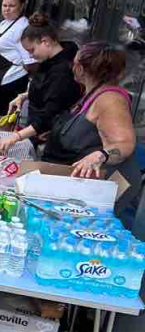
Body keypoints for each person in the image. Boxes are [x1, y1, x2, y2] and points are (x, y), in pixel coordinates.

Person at [40, 42, 141, 223]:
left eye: (75, 62)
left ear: (80, 68)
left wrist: (99, 155)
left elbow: (124, 143)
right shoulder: (93, 93)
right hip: (85, 185)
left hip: (106, 189)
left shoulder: (110, 100)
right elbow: (89, 130)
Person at [0, 13, 81, 153]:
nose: (30, 55)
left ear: (45, 41)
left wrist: (16, 137)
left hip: (48, 138)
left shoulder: (63, 71)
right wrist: (24, 95)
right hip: (37, 129)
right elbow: (47, 88)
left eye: (31, 50)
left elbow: (50, 112)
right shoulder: (51, 59)